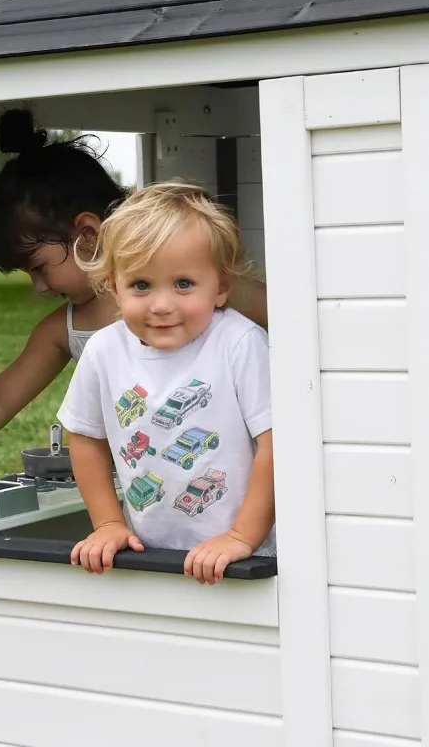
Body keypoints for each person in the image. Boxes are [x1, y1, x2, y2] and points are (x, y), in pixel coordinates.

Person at [0, 110, 268, 450]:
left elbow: (292, 326)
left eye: (38, 268)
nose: (39, 287)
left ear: (88, 234)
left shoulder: (195, 281)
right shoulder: (63, 331)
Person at [59, 182, 275, 585]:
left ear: (221, 286)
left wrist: (241, 536)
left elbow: (277, 444)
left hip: (246, 560)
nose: (161, 305)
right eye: (141, 285)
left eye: (184, 284)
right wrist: (108, 523)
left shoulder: (240, 344)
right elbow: (85, 436)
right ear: (113, 285)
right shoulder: (104, 350)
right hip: (149, 557)